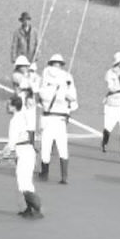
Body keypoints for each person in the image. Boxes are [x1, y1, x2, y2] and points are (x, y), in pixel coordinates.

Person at [36, 52, 79, 184]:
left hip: (48, 117)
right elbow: (74, 102)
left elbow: (39, 98)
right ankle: (64, 176)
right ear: (61, 65)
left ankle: (44, 173)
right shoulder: (67, 77)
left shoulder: (44, 76)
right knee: (62, 147)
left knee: (46, 146)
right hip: (60, 119)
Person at [2, 91, 43, 217]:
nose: (7, 107)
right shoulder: (22, 115)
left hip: (23, 151)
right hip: (27, 150)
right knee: (27, 181)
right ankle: (30, 209)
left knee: (22, 181)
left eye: (9, 105)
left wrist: (4, 152)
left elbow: (12, 141)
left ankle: (36, 206)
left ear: (14, 106)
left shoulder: (14, 120)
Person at [102, 51, 120, 152]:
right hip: (112, 103)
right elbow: (111, 88)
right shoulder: (110, 73)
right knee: (108, 125)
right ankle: (104, 143)